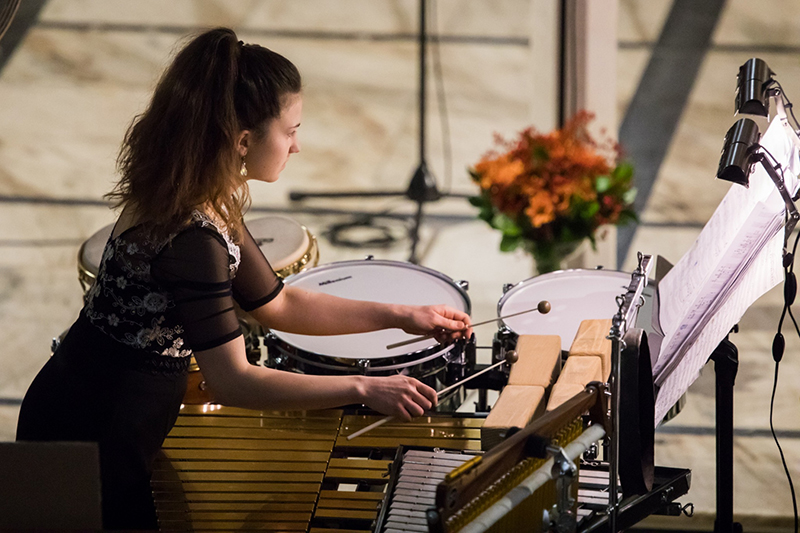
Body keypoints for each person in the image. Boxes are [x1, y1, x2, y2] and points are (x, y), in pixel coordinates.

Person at [16, 27, 472, 530]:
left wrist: (404, 316)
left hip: (105, 414)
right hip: (91, 436)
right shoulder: (192, 238)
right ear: (243, 140)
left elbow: (277, 305)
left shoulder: (198, 190)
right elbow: (232, 380)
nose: (297, 146)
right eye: (291, 130)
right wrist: (364, 387)